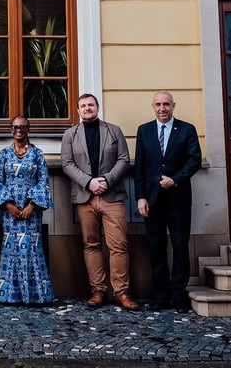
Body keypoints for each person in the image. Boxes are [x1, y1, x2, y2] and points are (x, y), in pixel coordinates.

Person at [60, 92, 138, 311]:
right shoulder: (70, 135)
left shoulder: (114, 130)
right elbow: (66, 163)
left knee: (118, 245)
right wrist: (89, 182)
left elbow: (124, 159)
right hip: (85, 197)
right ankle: (98, 291)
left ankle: (121, 292)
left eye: (91, 105)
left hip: (111, 196)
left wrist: (106, 180)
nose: (87, 108)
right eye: (83, 106)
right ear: (78, 110)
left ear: (97, 107)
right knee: (91, 244)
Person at [134, 91, 202, 312]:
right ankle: (160, 297)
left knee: (180, 247)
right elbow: (140, 167)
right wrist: (141, 197)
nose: (162, 108)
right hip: (152, 200)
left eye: (166, 104)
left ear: (173, 106)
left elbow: (194, 161)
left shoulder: (187, 129)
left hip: (178, 199)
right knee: (156, 248)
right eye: (158, 104)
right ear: (153, 107)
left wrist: (175, 179)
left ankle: (179, 297)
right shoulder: (144, 131)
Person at [0, 116, 53, 305]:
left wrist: (32, 206)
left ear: (28, 129)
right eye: (15, 127)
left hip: (31, 211)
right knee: (11, 250)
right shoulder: (4, 154)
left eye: (23, 127)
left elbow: (43, 181)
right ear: (11, 130)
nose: (19, 130)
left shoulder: (37, 154)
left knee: (32, 249)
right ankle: (10, 295)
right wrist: (9, 205)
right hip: (10, 212)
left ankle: (36, 296)